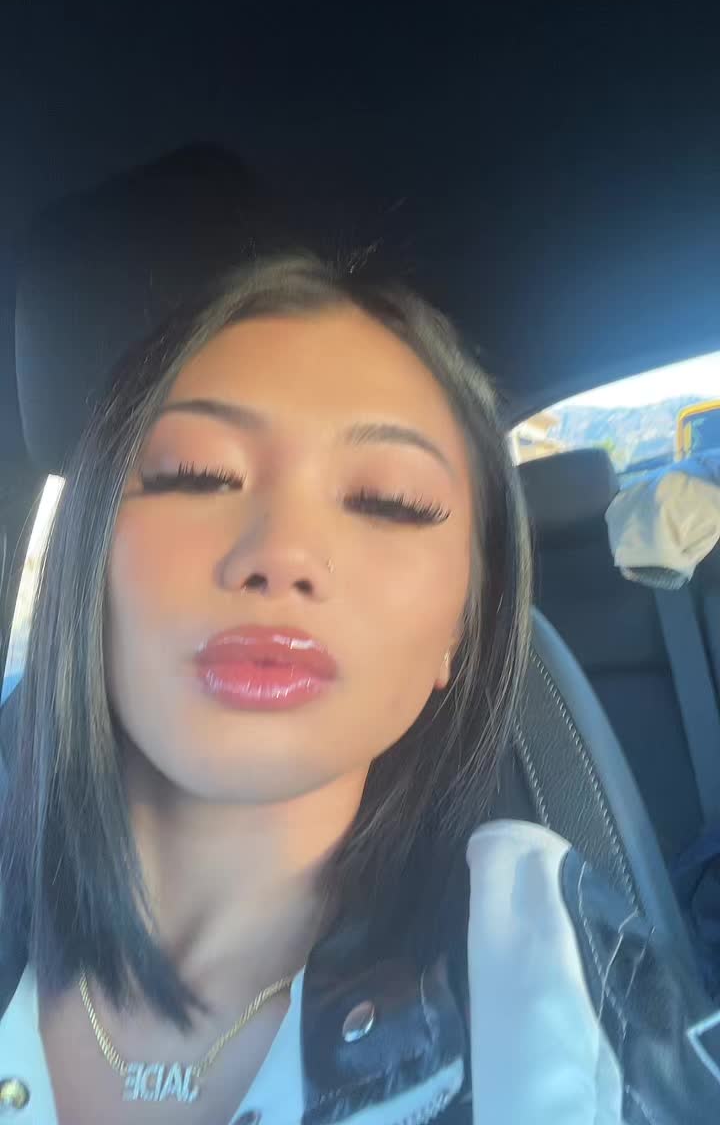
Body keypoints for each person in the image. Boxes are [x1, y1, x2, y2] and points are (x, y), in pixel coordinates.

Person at [0, 253, 716, 1124]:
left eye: (389, 500)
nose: (283, 553)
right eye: (197, 473)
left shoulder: (546, 978)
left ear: (460, 626)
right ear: (91, 557)